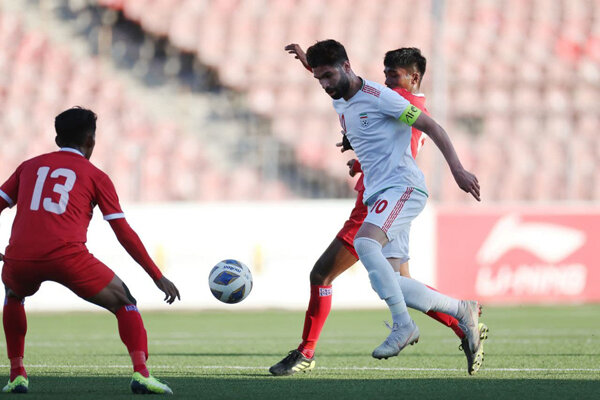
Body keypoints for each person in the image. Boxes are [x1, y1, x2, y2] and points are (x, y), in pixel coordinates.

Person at [270, 45, 487, 377]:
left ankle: (397, 328)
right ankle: (462, 313)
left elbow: (430, 129)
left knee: (356, 252)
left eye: (394, 76)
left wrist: (457, 170)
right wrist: (312, 66)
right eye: (319, 78)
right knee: (392, 283)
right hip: (378, 195)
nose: (388, 81)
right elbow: (355, 103)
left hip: (398, 190)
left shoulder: (393, 100)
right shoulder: (343, 96)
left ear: (413, 78)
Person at [0, 107, 180, 394]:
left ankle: (16, 375)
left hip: (19, 258)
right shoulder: (96, 175)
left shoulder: (28, 166)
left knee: (13, 295)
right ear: (91, 140)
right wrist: (156, 275)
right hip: (68, 257)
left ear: (57, 137)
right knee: (124, 301)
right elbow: (123, 232)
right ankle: (142, 374)